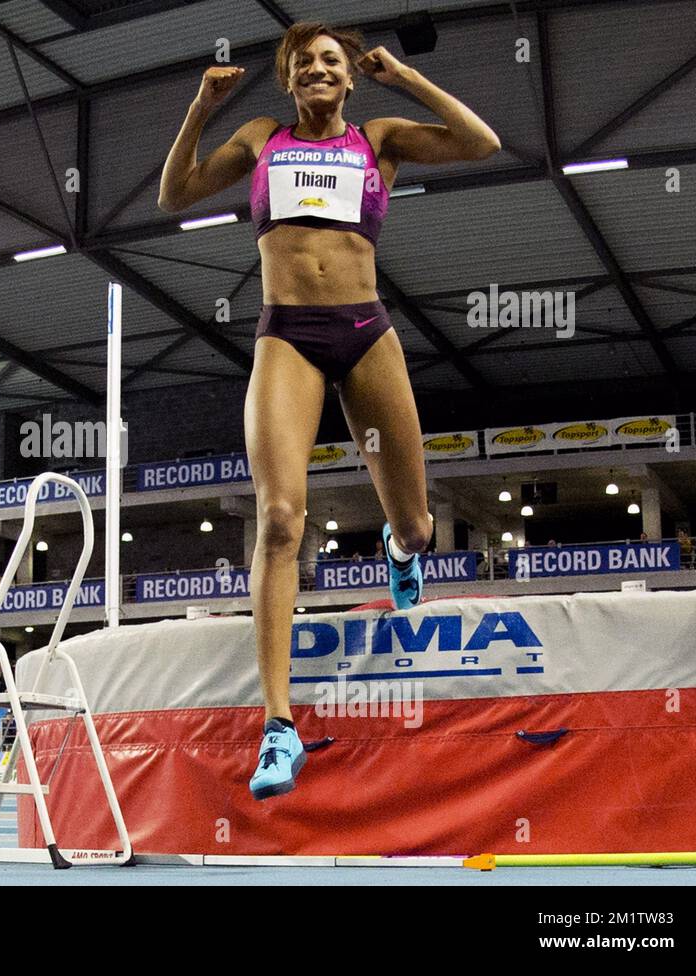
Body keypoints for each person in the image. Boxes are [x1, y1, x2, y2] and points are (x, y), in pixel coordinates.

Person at [158, 21, 499, 801]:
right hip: (288, 335)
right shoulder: (259, 137)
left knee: (418, 526)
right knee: (280, 517)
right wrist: (198, 110)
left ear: (348, 80)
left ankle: (400, 547)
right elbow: (174, 193)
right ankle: (279, 727)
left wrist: (404, 79)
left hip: (365, 331)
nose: (317, 68)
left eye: (331, 61)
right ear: (288, 81)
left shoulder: (378, 138)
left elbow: (481, 141)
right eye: (304, 62)